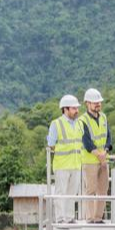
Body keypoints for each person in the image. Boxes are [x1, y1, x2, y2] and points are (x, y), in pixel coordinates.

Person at [46, 94, 83, 223]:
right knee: (61, 193)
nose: (76, 111)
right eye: (73, 108)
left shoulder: (79, 124)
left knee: (72, 193)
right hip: (62, 165)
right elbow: (51, 143)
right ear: (65, 109)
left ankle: (70, 217)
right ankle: (60, 218)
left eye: (77, 108)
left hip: (76, 164)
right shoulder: (56, 124)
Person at [80, 87, 111, 223]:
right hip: (90, 160)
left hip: (104, 159)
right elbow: (86, 142)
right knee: (91, 190)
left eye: (99, 102)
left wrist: (105, 151)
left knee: (103, 190)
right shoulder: (82, 120)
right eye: (95, 102)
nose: (98, 104)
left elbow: (108, 136)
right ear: (87, 103)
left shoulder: (103, 117)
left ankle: (98, 217)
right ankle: (90, 218)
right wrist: (99, 154)